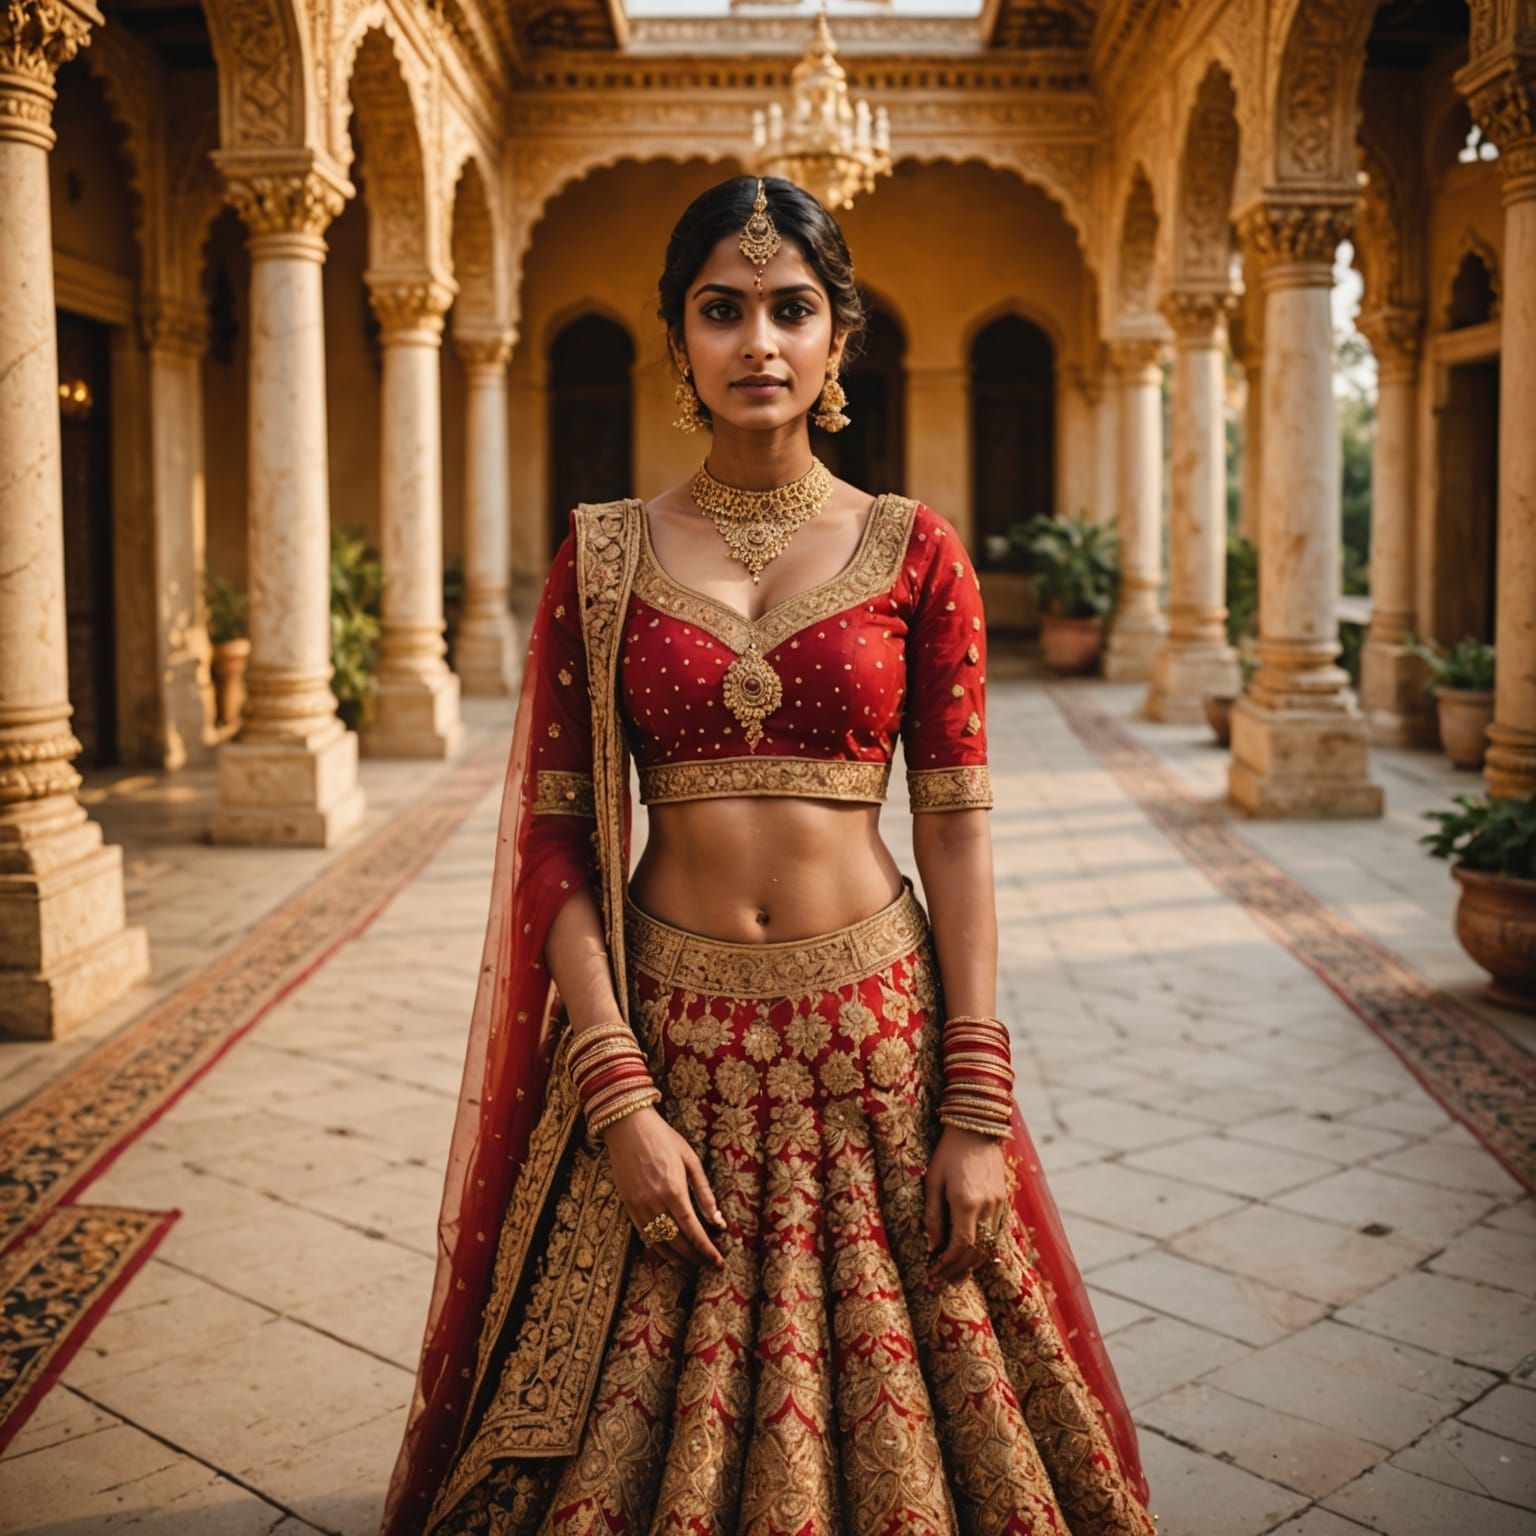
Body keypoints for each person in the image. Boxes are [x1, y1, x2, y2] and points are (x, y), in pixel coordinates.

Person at [381, 175, 1157, 1536]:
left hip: (877, 1045)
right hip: (670, 1042)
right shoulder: (601, 557)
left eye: (792, 310)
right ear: (678, 337)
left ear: (839, 337)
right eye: (723, 310)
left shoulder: (916, 550)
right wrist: (615, 1088)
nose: (759, 343)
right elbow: (562, 840)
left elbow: (957, 827)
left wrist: (976, 1101)